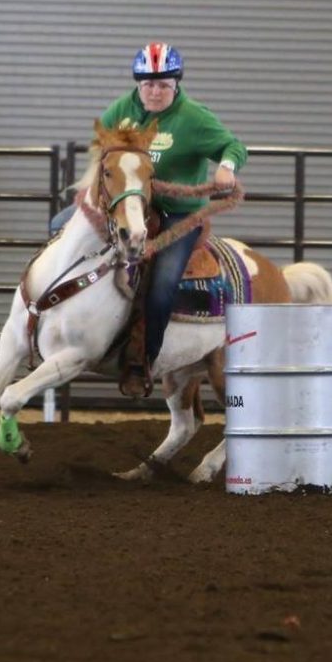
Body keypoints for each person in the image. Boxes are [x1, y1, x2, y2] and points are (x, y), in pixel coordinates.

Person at [98, 42, 245, 398]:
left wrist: (226, 167)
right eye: (147, 83)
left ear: (176, 84)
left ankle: (142, 362)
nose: (154, 91)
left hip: (179, 215)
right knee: (62, 228)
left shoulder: (193, 117)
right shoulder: (121, 109)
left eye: (163, 84)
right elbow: (102, 149)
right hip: (129, 207)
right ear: (138, 84)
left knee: (162, 284)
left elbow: (233, 146)